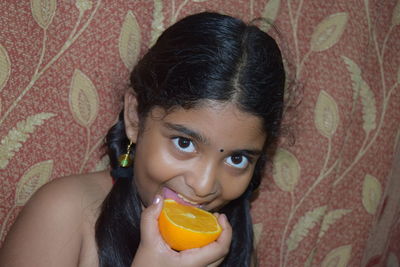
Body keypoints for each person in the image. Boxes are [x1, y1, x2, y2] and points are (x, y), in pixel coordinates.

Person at [0, 12, 285, 267]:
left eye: (237, 159)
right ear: (135, 117)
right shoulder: (63, 213)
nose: (204, 185)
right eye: (184, 143)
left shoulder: (231, 239)